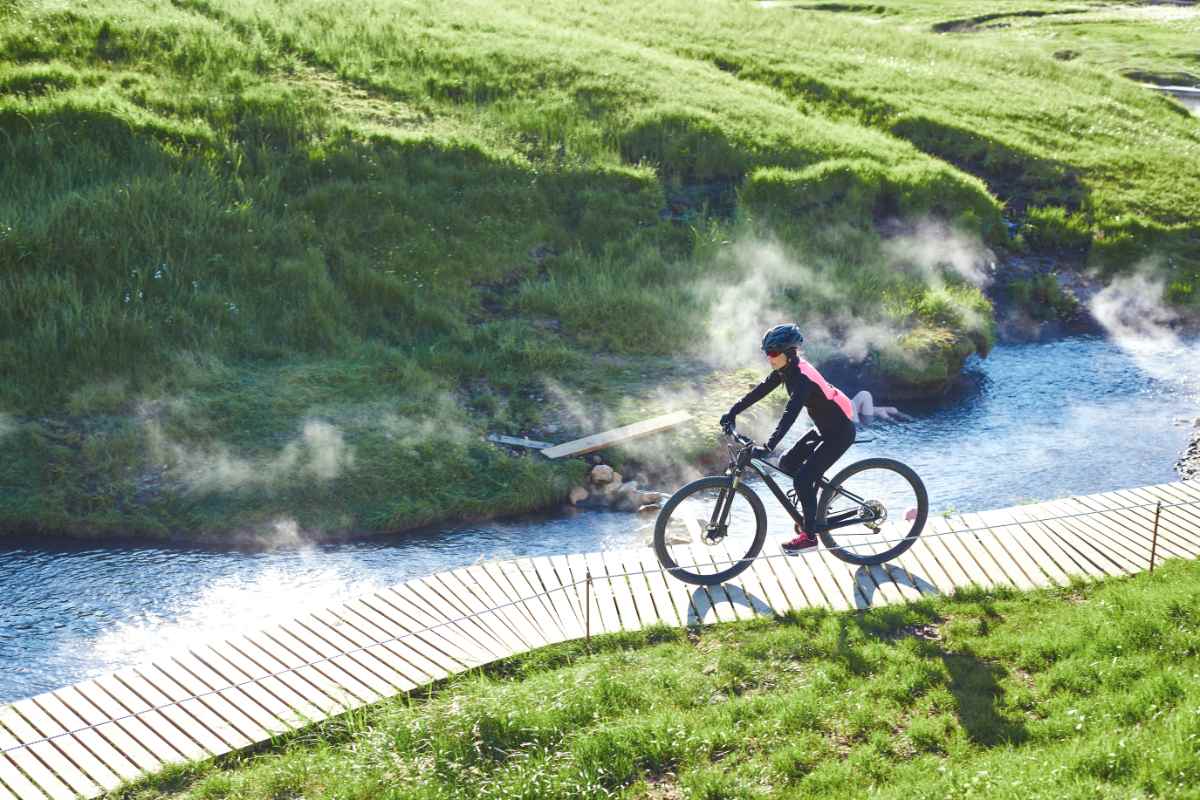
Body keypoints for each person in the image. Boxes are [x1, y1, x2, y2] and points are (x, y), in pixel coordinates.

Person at [719, 323, 856, 553]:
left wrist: (769, 445)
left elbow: (789, 415)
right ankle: (816, 504)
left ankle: (810, 537)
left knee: (802, 479)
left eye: (773, 353)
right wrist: (732, 411)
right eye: (766, 353)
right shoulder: (787, 370)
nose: (769, 358)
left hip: (839, 433)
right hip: (825, 429)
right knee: (786, 463)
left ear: (788, 353)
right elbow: (760, 390)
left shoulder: (802, 378)